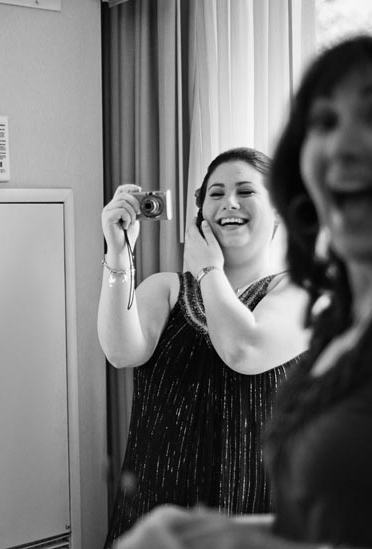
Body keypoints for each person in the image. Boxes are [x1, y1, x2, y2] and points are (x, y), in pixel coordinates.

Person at [114, 34, 372, 549]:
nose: (341, 145)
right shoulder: (350, 316)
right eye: (324, 122)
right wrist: (219, 533)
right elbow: (352, 524)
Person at [99, 147, 309, 547]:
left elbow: (242, 350)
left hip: (252, 516)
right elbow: (120, 351)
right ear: (200, 212)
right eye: (216, 193)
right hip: (156, 510)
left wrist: (208, 268)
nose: (229, 202)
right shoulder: (166, 288)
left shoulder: (299, 291)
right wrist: (118, 251)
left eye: (246, 191)